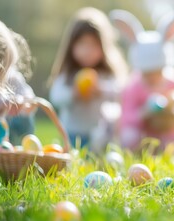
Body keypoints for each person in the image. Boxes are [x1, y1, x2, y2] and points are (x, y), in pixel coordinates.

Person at [111, 5, 174, 154]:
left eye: (157, 72)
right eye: (147, 74)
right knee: (128, 138)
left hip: (172, 133)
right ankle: (142, 153)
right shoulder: (134, 85)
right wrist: (143, 113)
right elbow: (125, 116)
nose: (153, 78)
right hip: (145, 135)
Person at [48, 7, 128, 150]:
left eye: (93, 45)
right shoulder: (68, 73)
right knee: (73, 157)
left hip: (100, 135)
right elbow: (56, 96)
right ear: (71, 45)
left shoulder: (106, 73)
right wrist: (74, 94)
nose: (87, 51)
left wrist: (101, 90)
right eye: (82, 44)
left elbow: (122, 91)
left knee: (101, 155)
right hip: (71, 134)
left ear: (104, 47)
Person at [0, 19, 35, 146]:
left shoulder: (11, 77)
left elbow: (30, 100)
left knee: (24, 119)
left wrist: (20, 101)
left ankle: (17, 147)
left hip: (6, 133)